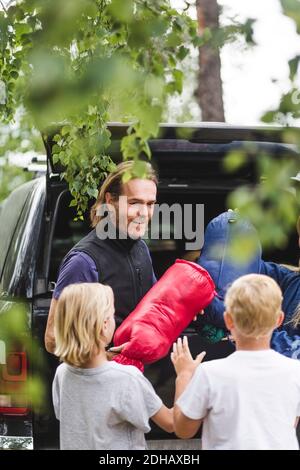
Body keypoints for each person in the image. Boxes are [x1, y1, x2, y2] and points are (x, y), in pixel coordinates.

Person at [171, 274, 300, 450]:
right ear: (279, 320)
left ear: (228, 320)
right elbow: (288, 423)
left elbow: (183, 430)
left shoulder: (210, 373)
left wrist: (184, 376)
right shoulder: (295, 372)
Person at [45, 160, 158, 353]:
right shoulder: (84, 262)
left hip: (136, 378)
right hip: (94, 381)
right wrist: (107, 360)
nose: (144, 213)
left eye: (150, 204)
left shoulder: (140, 249)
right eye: (134, 203)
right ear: (110, 201)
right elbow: (53, 338)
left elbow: (156, 305)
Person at [52, 282, 173, 450]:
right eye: (112, 315)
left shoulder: (62, 372)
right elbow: (172, 423)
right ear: (104, 325)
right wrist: (185, 374)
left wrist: (107, 356)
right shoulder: (128, 378)